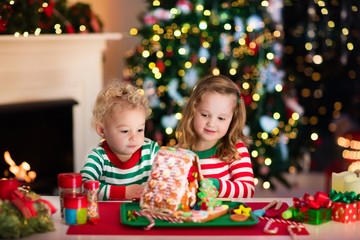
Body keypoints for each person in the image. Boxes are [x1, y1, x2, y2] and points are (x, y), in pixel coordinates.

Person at [176, 74, 255, 198]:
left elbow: (247, 190)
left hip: (224, 215)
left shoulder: (235, 150)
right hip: (189, 216)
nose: (211, 124)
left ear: (232, 120)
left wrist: (215, 185)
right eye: (205, 115)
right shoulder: (180, 151)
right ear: (193, 111)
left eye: (221, 118)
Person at [80, 80, 160, 200]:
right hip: (108, 215)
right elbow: (83, 186)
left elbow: (170, 171)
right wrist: (123, 192)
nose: (134, 137)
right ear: (102, 131)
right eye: (125, 131)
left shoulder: (151, 150)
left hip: (142, 215)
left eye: (139, 130)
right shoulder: (99, 157)